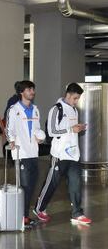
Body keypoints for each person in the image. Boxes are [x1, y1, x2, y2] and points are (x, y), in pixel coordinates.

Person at [34, 83, 92, 225]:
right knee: (52, 183)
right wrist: (71, 129)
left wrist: (79, 128)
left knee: (76, 184)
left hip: (74, 155)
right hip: (59, 154)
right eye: (75, 98)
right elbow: (52, 131)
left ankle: (77, 213)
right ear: (68, 94)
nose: (76, 101)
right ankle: (39, 208)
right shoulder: (56, 109)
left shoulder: (74, 110)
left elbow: (72, 130)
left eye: (78, 99)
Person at [6, 80, 44, 225]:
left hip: (34, 152)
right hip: (21, 154)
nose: (32, 92)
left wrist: (40, 137)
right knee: (24, 186)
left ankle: (24, 215)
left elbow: (37, 128)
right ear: (22, 92)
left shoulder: (35, 109)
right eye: (29, 90)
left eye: (33, 89)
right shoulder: (14, 109)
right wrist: (12, 140)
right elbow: (9, 129)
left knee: (32, 186)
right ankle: (22, 216)